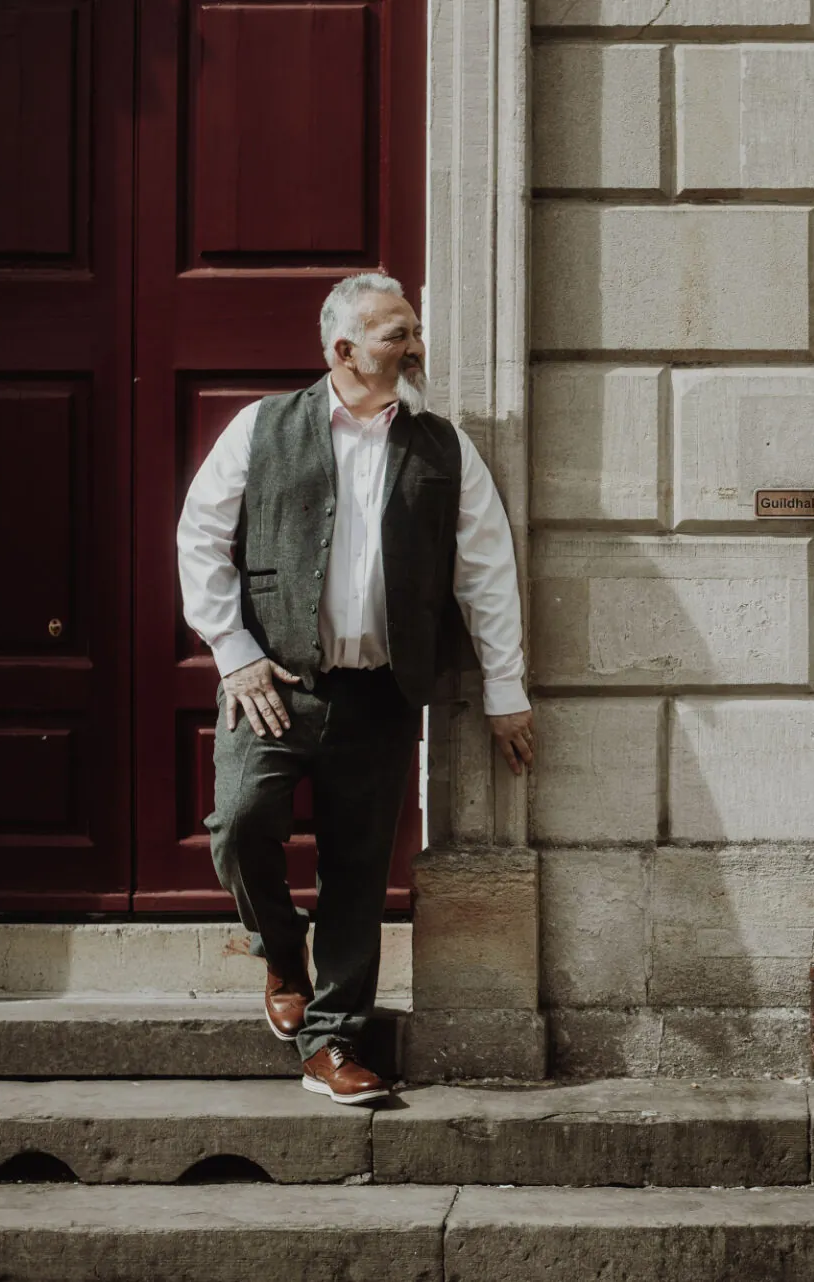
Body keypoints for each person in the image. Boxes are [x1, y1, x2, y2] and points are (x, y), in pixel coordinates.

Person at [177, 272, 535, 1104]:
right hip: (272, 684)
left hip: (379, 692)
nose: (413, 346)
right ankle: (277, 953)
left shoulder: (443, 446)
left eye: (413, 332)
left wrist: (504, 688)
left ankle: (333, 1043)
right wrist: (233, 650)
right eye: (395, 334)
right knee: (238, 825)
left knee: (358, 871)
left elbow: (486, 570)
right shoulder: (262, 427)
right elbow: (199, 534)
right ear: (342, 349)